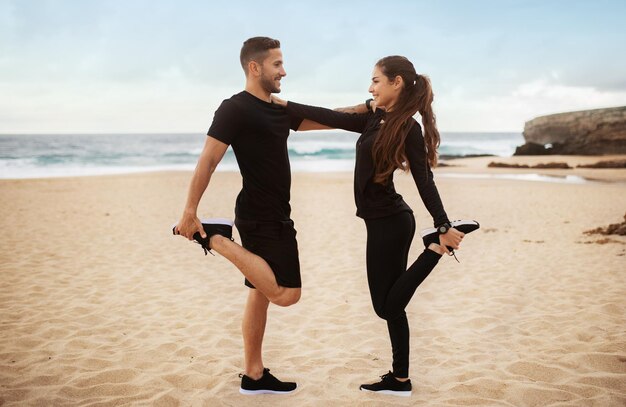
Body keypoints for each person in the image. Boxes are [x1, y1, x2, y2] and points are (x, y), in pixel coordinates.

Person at [271, 55, 478, 396]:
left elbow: (424, 180)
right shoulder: (373, 118)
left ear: (397, 82)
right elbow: (332, 117)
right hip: (380, 221)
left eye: (376, 81)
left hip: (392, 222)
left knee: (387, 307)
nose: (371, 87)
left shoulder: (407, 128)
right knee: (390, 305)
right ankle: (400, 379)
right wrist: (287, 106)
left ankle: (436, 248)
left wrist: (442, 224)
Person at [174, 37, 305, 395]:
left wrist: (366, 111)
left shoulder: (279, 110)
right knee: (286, 294)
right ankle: (215, 238)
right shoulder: (235, 108)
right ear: (255, 67)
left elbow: (323, 119)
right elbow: (209, 159)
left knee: (260, 293)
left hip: (277, 212)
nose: (284, 70)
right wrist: (190, 212)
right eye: (277, 64)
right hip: (259, 215)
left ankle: (254, 374)